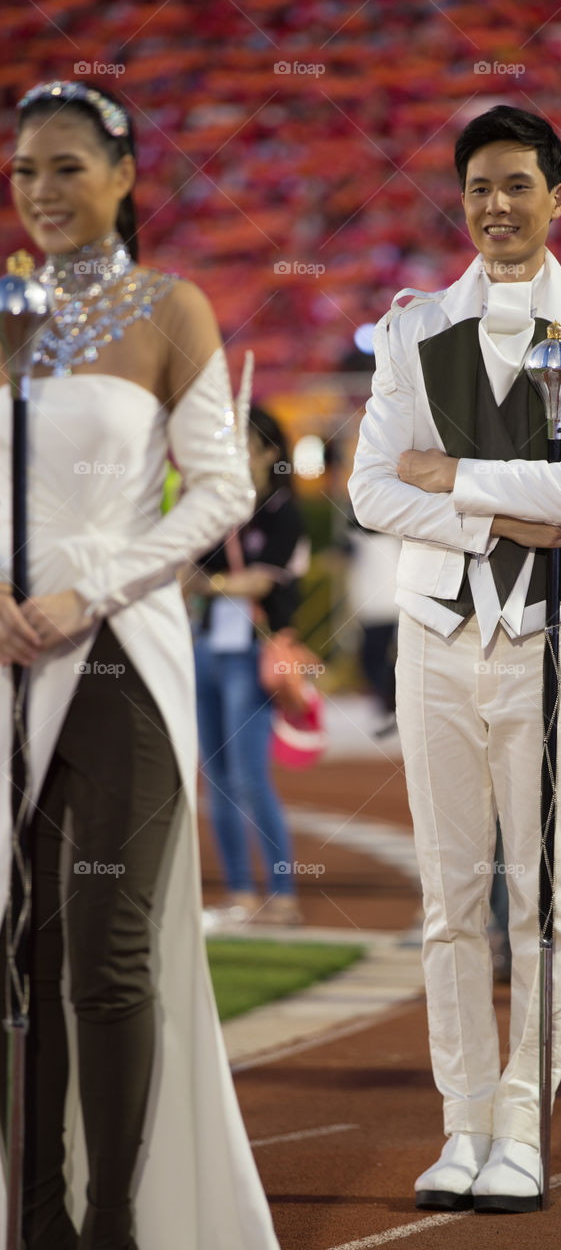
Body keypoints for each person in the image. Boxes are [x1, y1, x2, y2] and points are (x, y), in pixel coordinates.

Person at [349, 105, 561, 1212]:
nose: (496, 205)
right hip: (434, 632)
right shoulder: (412, 325)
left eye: (518, 184)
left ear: (558, 195)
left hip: (545, 637)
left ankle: (522, 1123)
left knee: (543, 901)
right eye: (478, 185)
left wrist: (451, 476)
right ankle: (462, 1123)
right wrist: (487, 516)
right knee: (446, 899)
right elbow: (370, 486)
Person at [0, 81, 279, 1248]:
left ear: (123, 175)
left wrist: (93, 583)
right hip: (11, 662)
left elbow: (224, 486)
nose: (42, 191)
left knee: (106, 952)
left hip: (120, 659)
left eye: (67, 166)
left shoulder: (173, 307)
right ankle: (40, 1224)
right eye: (23, 171)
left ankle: (113, 1224)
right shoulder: (4, 312)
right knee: (26, 950)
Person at [188, 407, 308, 926]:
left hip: (252, 653)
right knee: (216, 779)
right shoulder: (219, 508)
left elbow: (260, 581)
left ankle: (282, 894)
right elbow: (185, 564)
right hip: (207, 645)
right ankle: (239, 892)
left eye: (245, 443)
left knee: (249, 777)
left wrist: (211, 584)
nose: (234, 453)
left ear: (269, 453)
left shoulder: (284, 512)